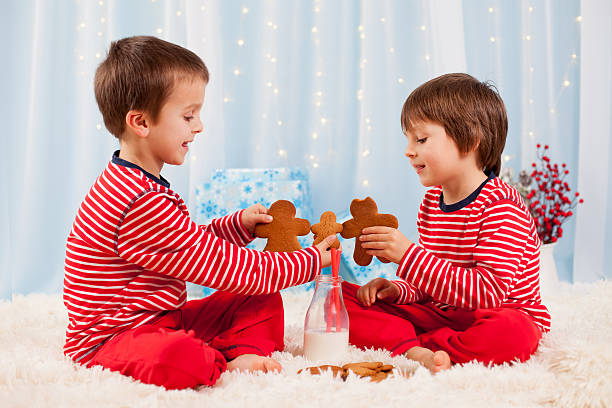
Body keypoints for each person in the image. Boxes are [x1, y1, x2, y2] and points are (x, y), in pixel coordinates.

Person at [63, 36, 337, 390]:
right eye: (189, 115)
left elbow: (184, 242)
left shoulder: (142, 182)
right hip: (114, 338)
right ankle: (220, 361)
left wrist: (236, 227)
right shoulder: (138, 200)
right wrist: (313, 261)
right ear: (141, 122)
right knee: (182, 356)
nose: (199, 126)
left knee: (262, 300)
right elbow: (234, 270)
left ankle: (236, 351)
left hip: (162, 319)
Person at [342, 73, 550, 373]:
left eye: (421, 139)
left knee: (517, 331)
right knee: (345, 298)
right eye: (408, 139)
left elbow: (488, 293)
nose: (408, 150)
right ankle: (420, 348)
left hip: (493, 314)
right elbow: (431, 283)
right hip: (443, 312)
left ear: (470, 140)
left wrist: (408, 256)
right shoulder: (431, 203)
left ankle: (421, 343)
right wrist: (398, 290)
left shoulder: (502, 207)